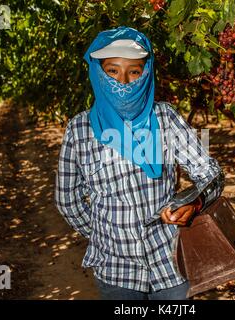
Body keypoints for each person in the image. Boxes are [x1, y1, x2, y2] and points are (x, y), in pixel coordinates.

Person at [55, 26, 224, 300]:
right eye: (112, 71)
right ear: (98, 72)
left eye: (134, 71)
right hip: (116, 272)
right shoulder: (80, 129)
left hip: (171, 265)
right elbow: (67, 201)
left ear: (146, 73)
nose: (123, 82)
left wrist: (195, 203)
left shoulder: (165, 118)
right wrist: (104, 236)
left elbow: (210, 173)